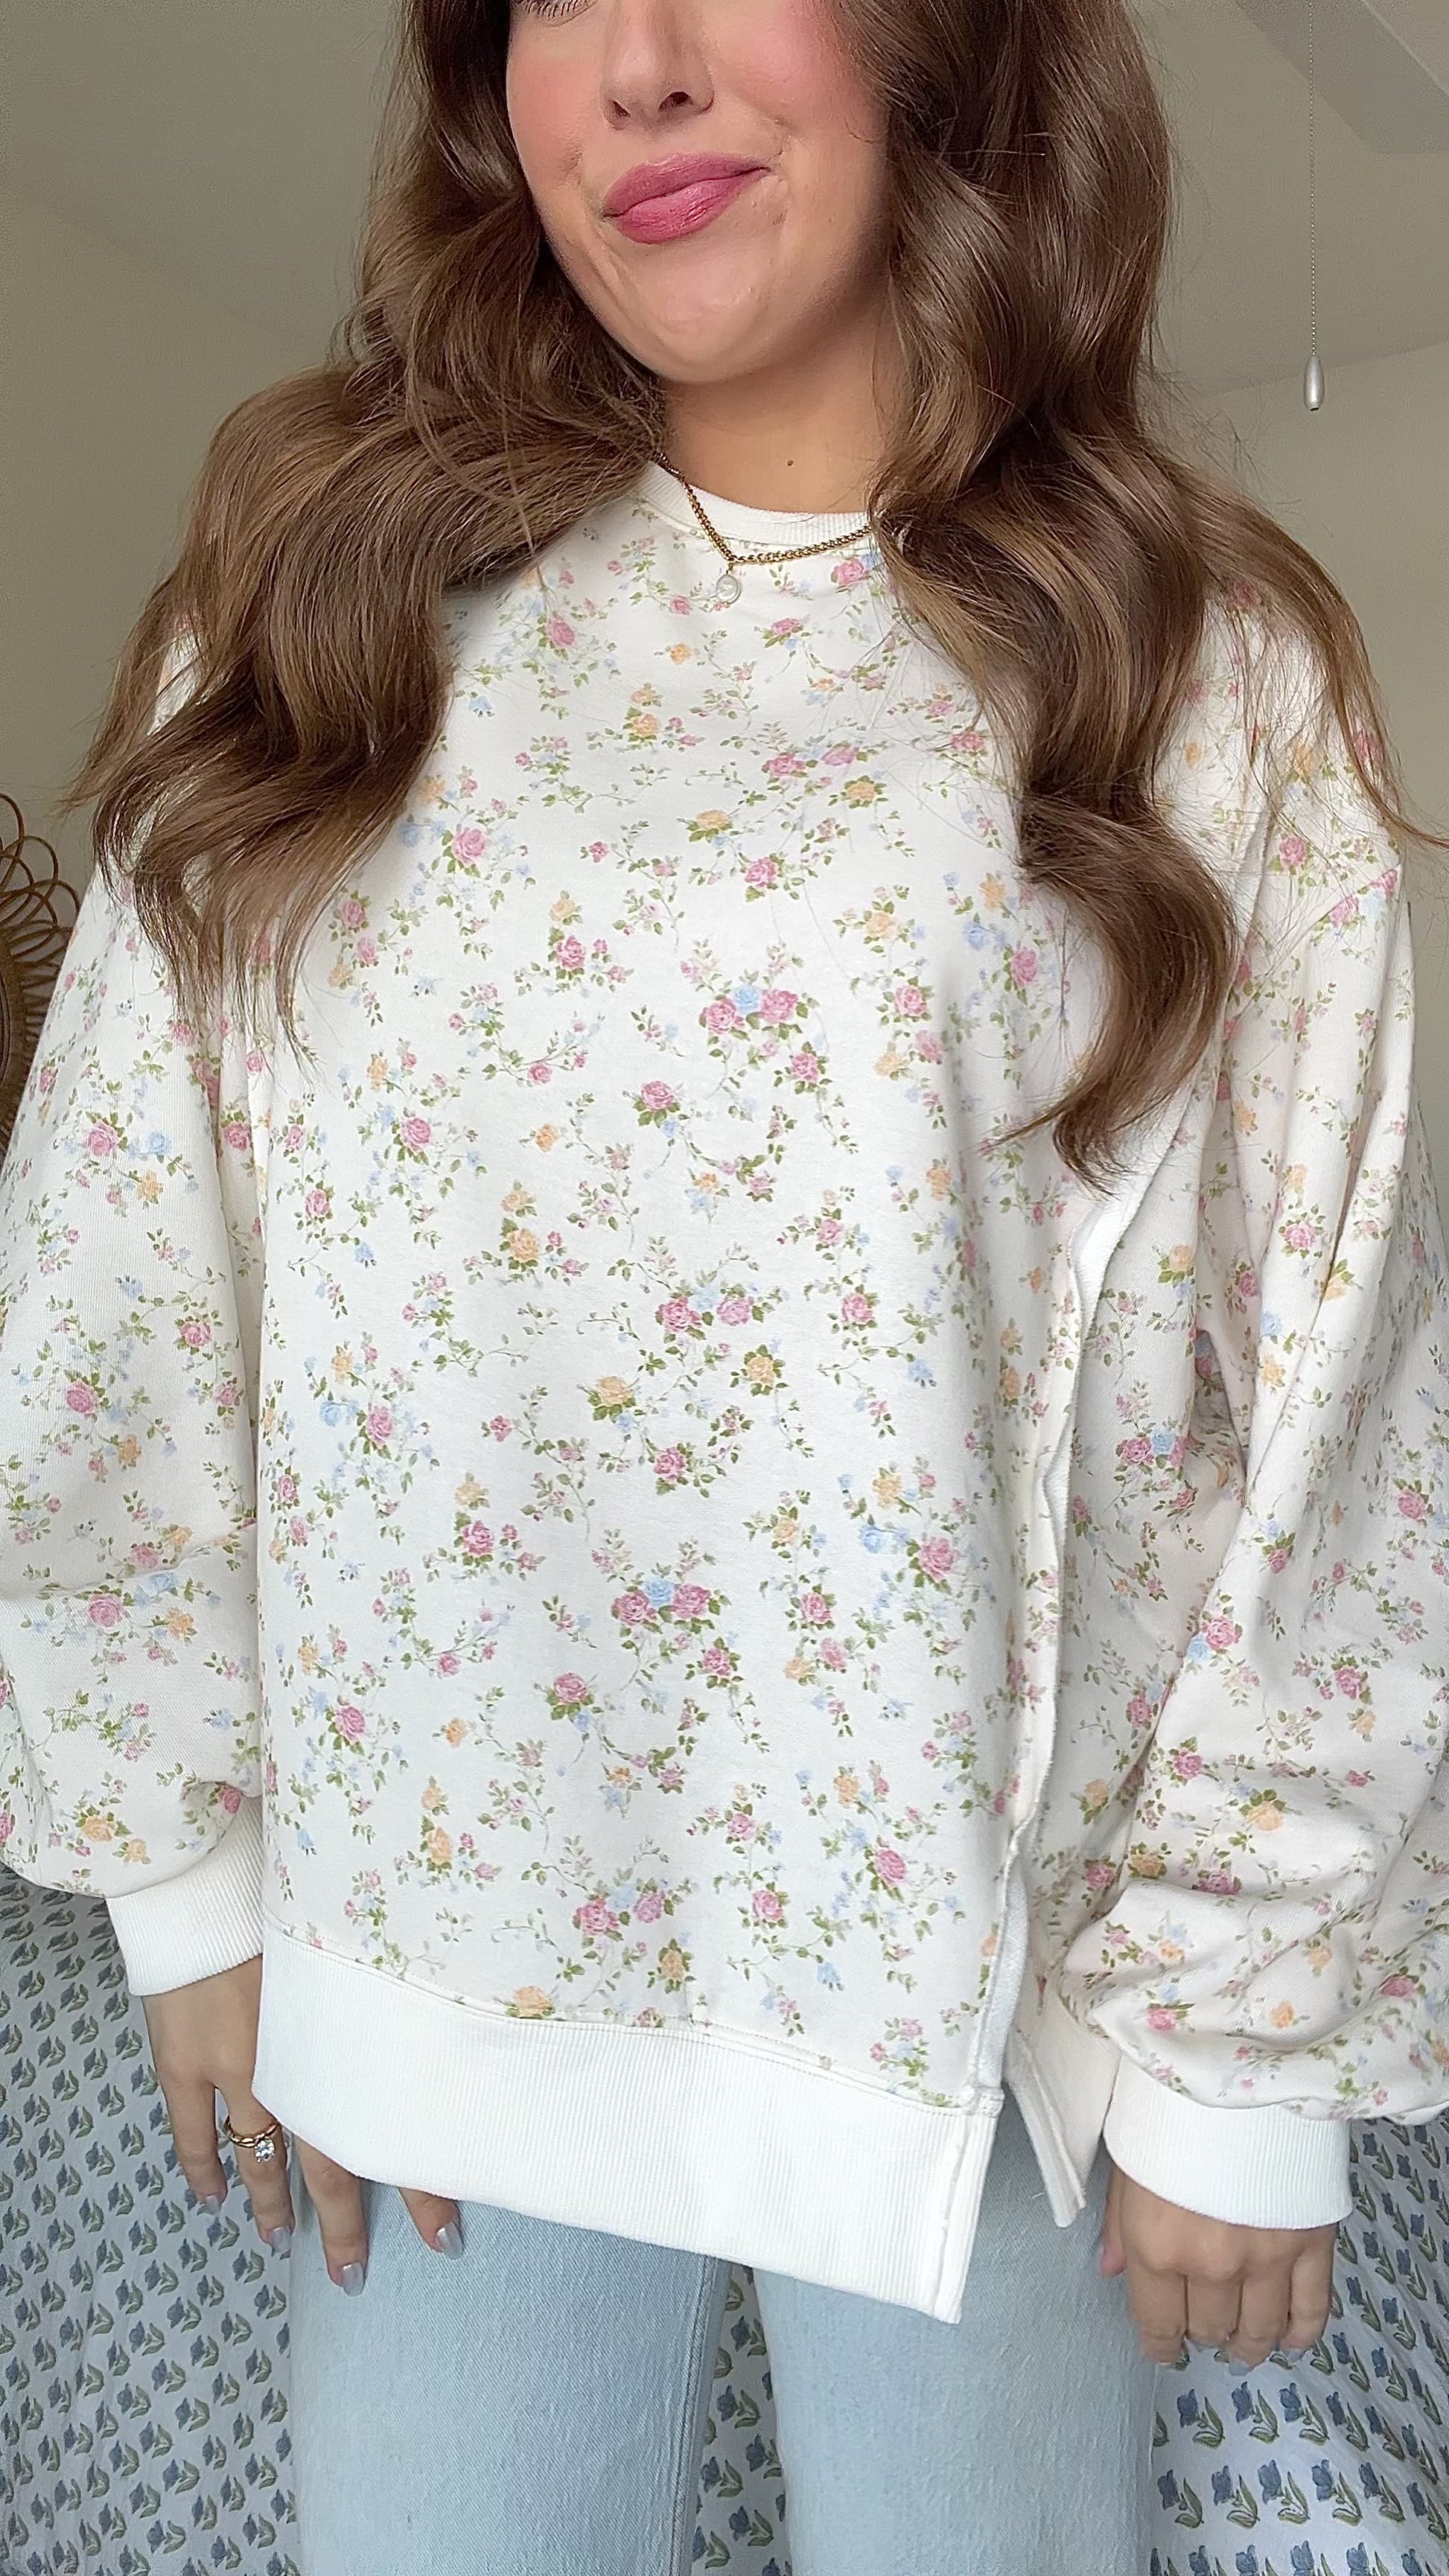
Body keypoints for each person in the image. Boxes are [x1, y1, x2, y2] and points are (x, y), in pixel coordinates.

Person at [2, 0, 1447, 2567]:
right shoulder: (327, 606)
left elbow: (1334, 1373)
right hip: (431, 1949)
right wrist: (179, 1864)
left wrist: (1248, 2044)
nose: (641, 69)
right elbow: (127, 1236)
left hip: (981, 1995)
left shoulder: (1201, 664)